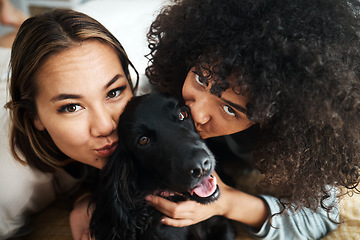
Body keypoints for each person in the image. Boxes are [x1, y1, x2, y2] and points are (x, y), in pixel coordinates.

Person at [145, 0, 360, 239]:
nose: (198, 113)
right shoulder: (168, 91)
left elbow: (319, 218)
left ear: (270, 117)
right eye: (201, 80)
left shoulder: (299, 141)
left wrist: (225, 202)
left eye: (229, 109)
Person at [0, 8, 138, 239]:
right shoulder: (8, 189)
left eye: (113, 92)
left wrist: (83, 199)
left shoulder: (141, 100)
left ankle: (20, 22)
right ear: (34, 117)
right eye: (71, 107)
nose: (106, 126)